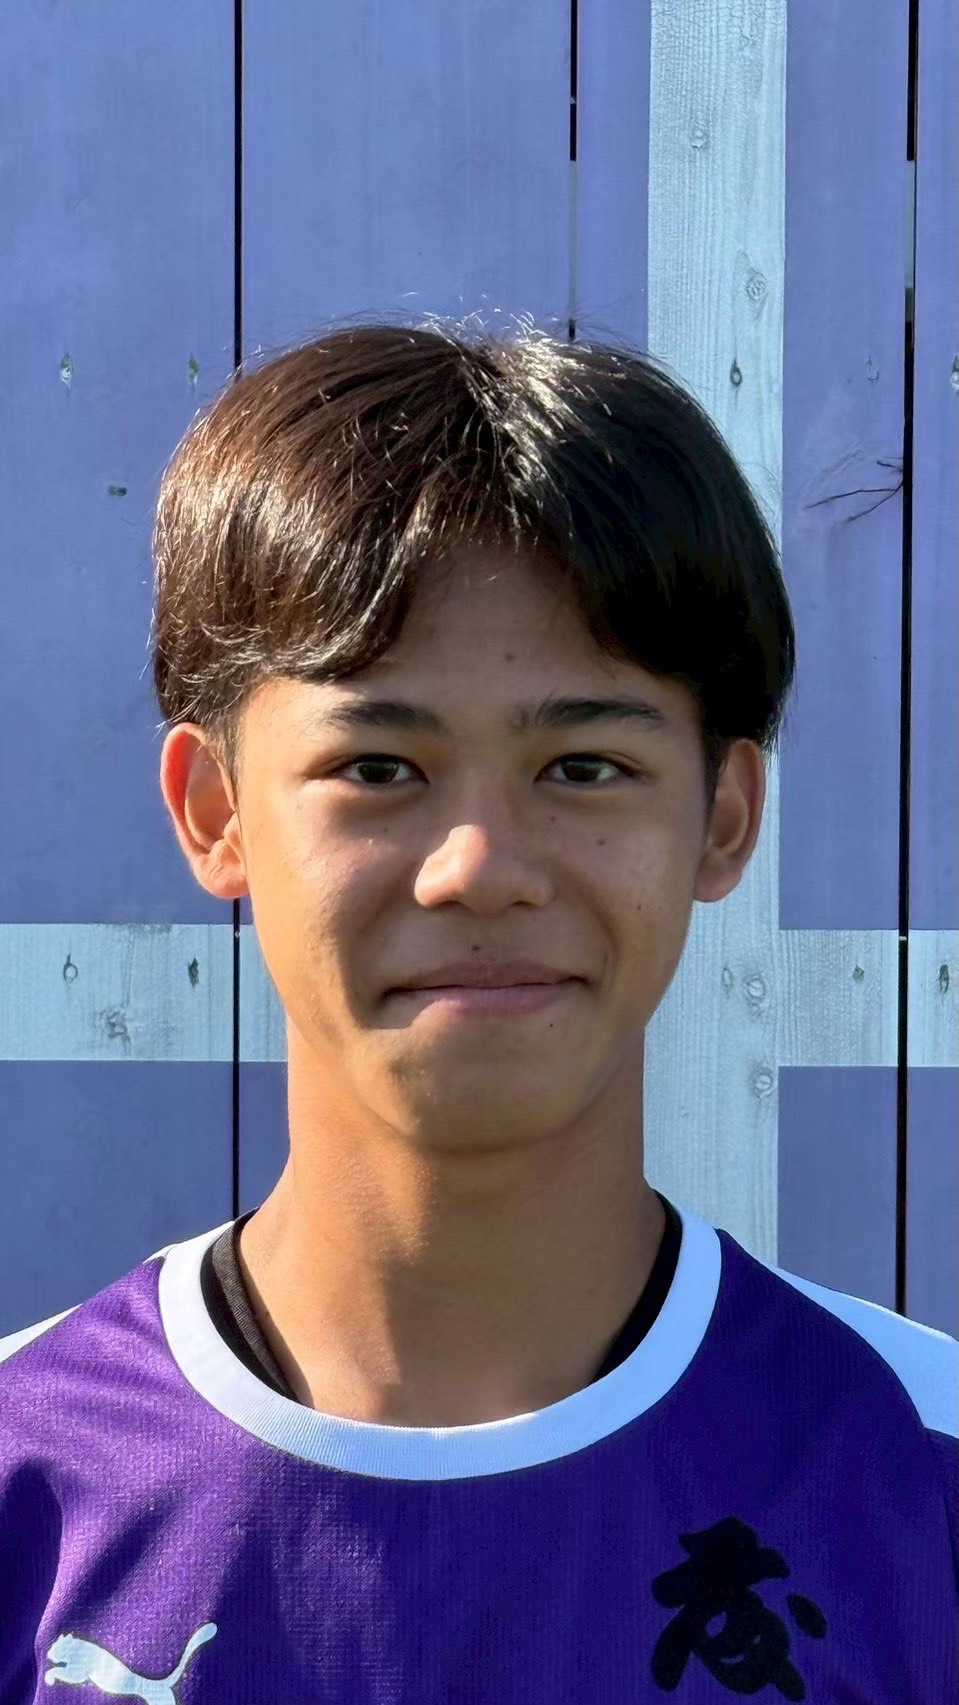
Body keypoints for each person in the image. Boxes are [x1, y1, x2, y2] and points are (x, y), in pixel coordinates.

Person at [1, 318, 955, 1702]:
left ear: (725, 816)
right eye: (378, 767)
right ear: (216, 812)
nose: (481, 868)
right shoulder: (30, 1472)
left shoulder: (922, 1472)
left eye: (585, 766)